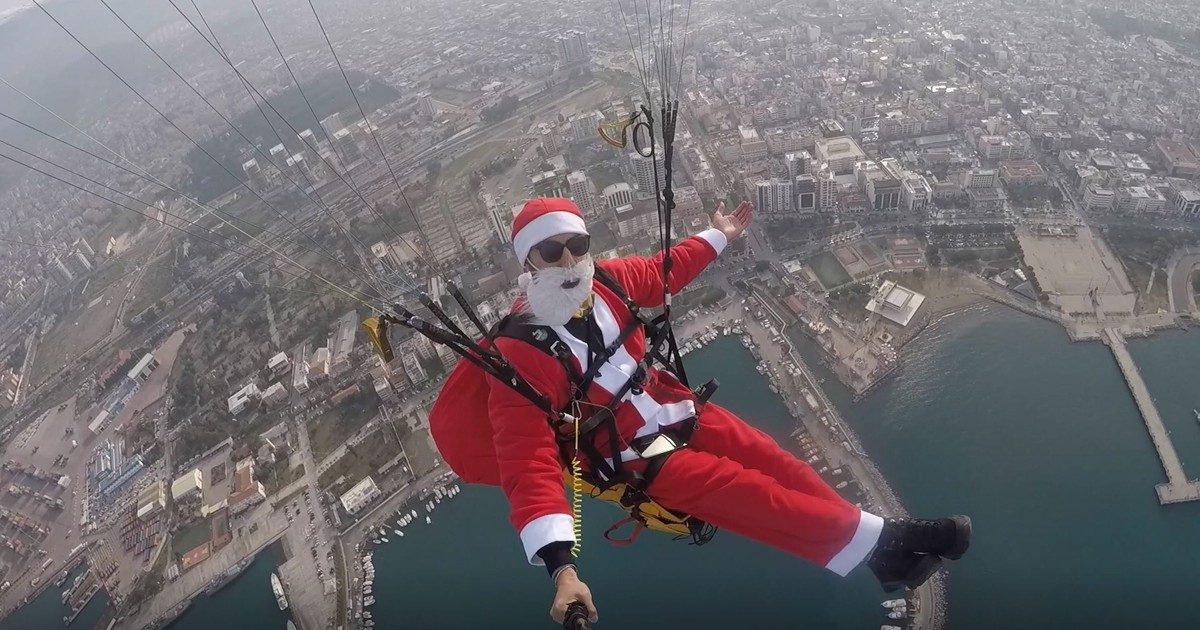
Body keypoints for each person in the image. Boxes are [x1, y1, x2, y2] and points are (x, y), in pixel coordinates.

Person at [437, 197, 970, 625]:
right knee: (755, 497)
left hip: (674, 406)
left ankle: (881, 557)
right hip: (634, 457)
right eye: (551, 253)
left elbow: (667, 268)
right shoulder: (519, 353)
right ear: (527, 261)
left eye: (577, 245)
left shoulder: (609, 282)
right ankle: (894, 540)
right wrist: (561, 568)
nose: (569, 261)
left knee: (781, 465)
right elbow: (525, 461)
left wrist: (720, 235)